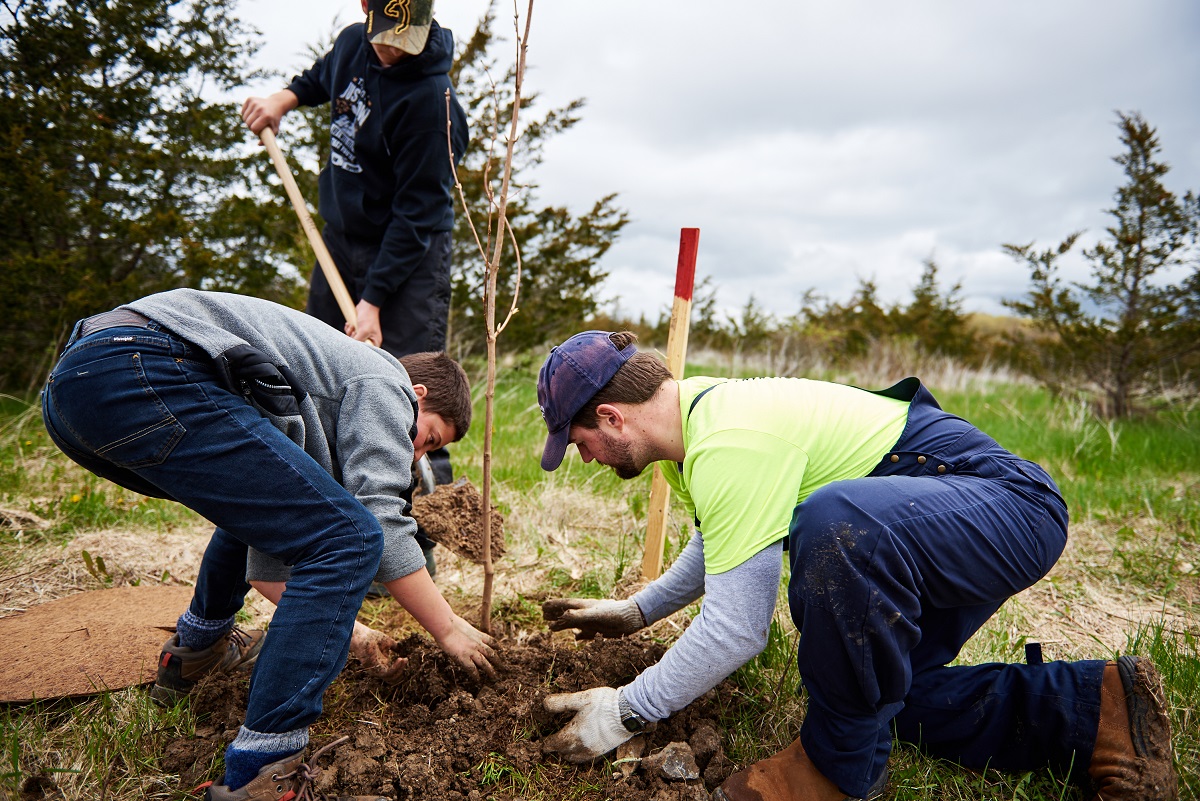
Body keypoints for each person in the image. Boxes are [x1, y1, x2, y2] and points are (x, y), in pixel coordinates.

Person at [534, 331, 1177, 801]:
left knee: (834, 519)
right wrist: (638, 610)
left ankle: (834, 772)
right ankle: (1097, 709)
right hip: (923, 520)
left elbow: (736, 630)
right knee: (892, 697)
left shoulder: (730, 440)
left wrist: (624, 710)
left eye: (578, 441)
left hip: (1003, 505)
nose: (582, 457)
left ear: (610, 416)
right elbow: (729, 538)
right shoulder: (700, 426)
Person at [40, 289, 498, 800]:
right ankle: (265, 769)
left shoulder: (317, 405)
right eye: (428, 439)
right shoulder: (384, 381)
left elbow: (268, 573)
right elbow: (380, 525)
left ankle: (196, 650)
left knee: (273, 514)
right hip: (143, 366)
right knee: (351, 538)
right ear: (417, 396)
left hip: (80, 383)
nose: (415, 455)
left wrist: (357, 634)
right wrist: (449, 629)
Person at [241, 0, 468, 573]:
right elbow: (323, 78)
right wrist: (283, 99)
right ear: (366, 9)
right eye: (386, 35)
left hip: (411, 258)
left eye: (405, 39)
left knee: (411, 396)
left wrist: (372, 302)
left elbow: (418, 214)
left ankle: (413, 555)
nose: (393, 49)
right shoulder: (352, 42)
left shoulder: (431, 105)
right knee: (320, 376)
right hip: (342, 243)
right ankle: (338, 534)